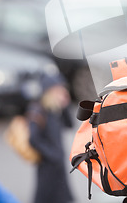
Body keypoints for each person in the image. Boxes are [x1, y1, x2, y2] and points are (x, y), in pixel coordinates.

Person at [27, 74, 74, 203]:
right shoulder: (38, 111)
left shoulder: (55, 109)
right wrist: (52, 154)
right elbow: (33, 139)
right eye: (58, 90)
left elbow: (69, 124)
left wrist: (65, 106)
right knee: (45, 197)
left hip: (59, 165)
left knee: (62, 197)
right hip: (47, 165)